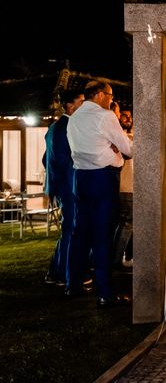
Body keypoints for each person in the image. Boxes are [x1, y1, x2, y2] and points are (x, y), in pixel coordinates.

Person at [66, 81, 132, 308]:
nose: (112, 101)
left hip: (80, 179)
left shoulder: (74, 117)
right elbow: (128, 148)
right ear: (100, 95)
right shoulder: (105, 116)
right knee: (102, 236)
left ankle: (72, 284)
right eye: (110, 96)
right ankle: (105, 293)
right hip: (103, 179)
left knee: (79, 233)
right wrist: (115, 150)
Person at [43, 89, 85, 286]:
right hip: (68, 186)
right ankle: (63, 274)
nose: (84, 106)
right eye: (81, 102)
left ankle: (55, 270)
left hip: (59, 185)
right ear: (70, 106)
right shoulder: (68, 127)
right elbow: (65, 160)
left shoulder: (54, 127)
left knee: (68, 229)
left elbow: (46, 159)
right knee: (70, 229)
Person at [112, 110, 134, 268]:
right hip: (126, 186)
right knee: (126, 224)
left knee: (127, 224)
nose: (128, 119)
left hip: (129, 186)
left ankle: (126, 256)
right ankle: (116, 260)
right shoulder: (121, 138)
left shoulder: (128, 136)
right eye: (124, 116)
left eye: (130, 117)